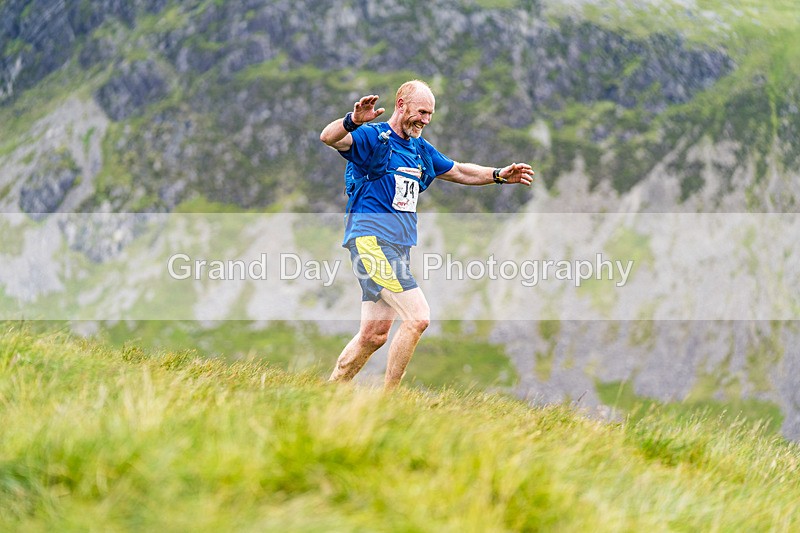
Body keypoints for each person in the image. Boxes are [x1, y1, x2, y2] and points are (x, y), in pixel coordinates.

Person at [319, 79, 534, 389]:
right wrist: (352, 121)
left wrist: (498, 175)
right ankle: (390, 401)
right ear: (401, 105)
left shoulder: (419, 149)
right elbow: (329, 138)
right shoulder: (372, 137)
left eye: (430, 114)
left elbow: (458, 170)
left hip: (397, 248)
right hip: (371, 242)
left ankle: (329, 391)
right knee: (418, 317)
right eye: (421, 112)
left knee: (374, 335)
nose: (425, 120)